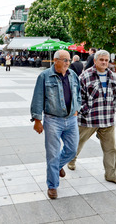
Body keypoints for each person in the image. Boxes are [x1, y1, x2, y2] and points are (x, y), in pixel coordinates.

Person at [68, 50, 116, 187]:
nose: (104, 62)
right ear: (95, 61)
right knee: (77, 143)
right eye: (101, 60)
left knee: (111, 149)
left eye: (106, 60)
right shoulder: (85, 76)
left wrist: (112, 112)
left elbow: (114, 96)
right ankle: (71, 160)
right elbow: (77, 98)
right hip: (89, 119)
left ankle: (112, 175)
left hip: (107, 120)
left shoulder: (111, 76)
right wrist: (85, 111)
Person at [30, 50, 81, 199]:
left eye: (69, 60)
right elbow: (38, 98)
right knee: (52, 154)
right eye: (64, 60)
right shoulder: (44, 76)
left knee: (72, 150)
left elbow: (78, 93)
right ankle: (52, 185)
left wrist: (77, 109)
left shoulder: (72, 75)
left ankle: (58, 166)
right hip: (53, 120)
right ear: (55, 60)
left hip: (71, 119)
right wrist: (37, 120)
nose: (67, 63)